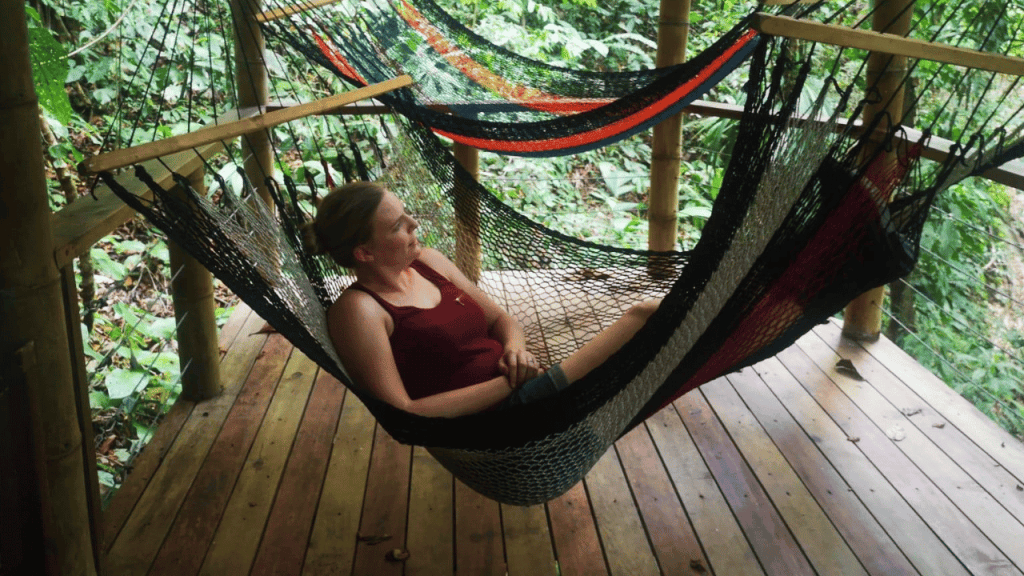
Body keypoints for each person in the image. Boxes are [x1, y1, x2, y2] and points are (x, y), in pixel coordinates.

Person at [301, 181, 659, 418]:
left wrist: (516, 351)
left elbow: (502, 321)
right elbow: (403, 411)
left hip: (531, 388)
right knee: (646, 317)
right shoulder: (359, 310)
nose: (414, 225)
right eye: (398, 226)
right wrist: (509, 384)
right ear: (364, 253)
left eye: (407, 215)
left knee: (655, 329)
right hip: (497, 420)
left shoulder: (428, 262)